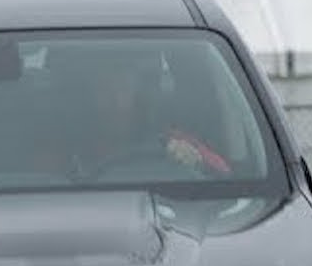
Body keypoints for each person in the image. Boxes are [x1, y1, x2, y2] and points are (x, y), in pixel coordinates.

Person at [44, 45, 231, 180]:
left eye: (123, 88)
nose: (116, 101)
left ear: (137, 92)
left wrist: (197, 162)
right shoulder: (66, 150)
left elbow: (226, 178)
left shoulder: (170, 141)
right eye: (105, 89)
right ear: (89, 96)